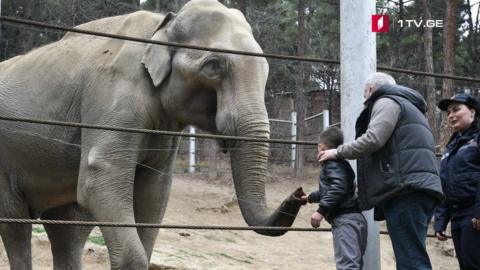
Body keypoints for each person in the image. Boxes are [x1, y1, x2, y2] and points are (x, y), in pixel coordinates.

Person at [318, 72, 444, 270]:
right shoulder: (410, 106)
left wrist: (338, 152)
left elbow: (373, 139)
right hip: (419, 189)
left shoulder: (386, 101)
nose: (364, 99)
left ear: (370, 90)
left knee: (411, 260)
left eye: (364, 94)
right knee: (411, 255)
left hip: (405, 191)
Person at [301, 127, 367, 270]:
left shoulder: (331, 164)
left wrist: (321, 211)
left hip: (345, 221)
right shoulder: (342, 163)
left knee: (347, 266)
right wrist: (309, 198)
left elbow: (338, 187)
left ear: (321, 147)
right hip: (356, 219)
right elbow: (332, 189)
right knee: (354, 265)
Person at [433, 94, 480, 270]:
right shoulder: (452, 146)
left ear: (472, 112)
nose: (451, 115)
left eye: (456, 109)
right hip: (457, 215)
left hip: (474, 214)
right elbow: (446, 183)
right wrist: (441, 221)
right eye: (448, 112)